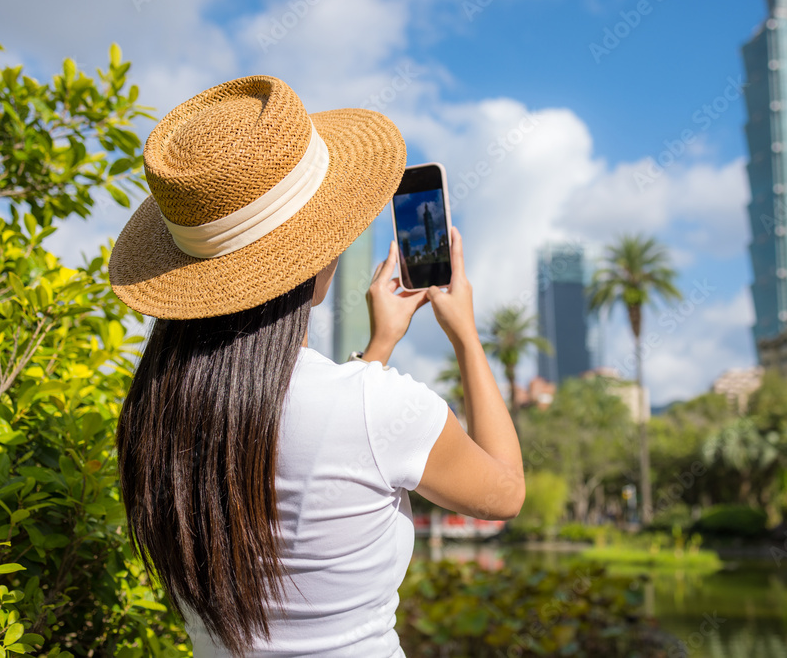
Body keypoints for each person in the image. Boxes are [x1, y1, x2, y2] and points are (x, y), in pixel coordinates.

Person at [109, 75, 524, 657]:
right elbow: (503, 494)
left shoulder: (153, 417)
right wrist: (465, 336)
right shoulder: (380, 410)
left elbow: (302, 432)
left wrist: (377, 351)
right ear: (320, 254)